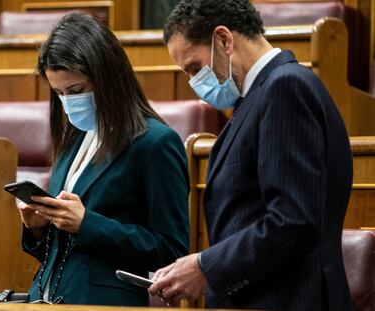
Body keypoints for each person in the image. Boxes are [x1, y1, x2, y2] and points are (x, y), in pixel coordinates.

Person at [149, 1, 353, 310]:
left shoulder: (285, 87)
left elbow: (293, 221)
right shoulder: (258, 95)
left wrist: (206, 267)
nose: (194, 83)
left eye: (194, 67)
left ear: (224, 40)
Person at [17, 13, 190, 306]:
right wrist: (39, 227)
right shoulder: (73, 138)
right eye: (58, 93)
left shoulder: (156, 143)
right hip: (46, 299)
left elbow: (171, 249)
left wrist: (87, 224)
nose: (68, 102)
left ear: (107, 78)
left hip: (104, 302)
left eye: (75, 91)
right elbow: (62, 251)